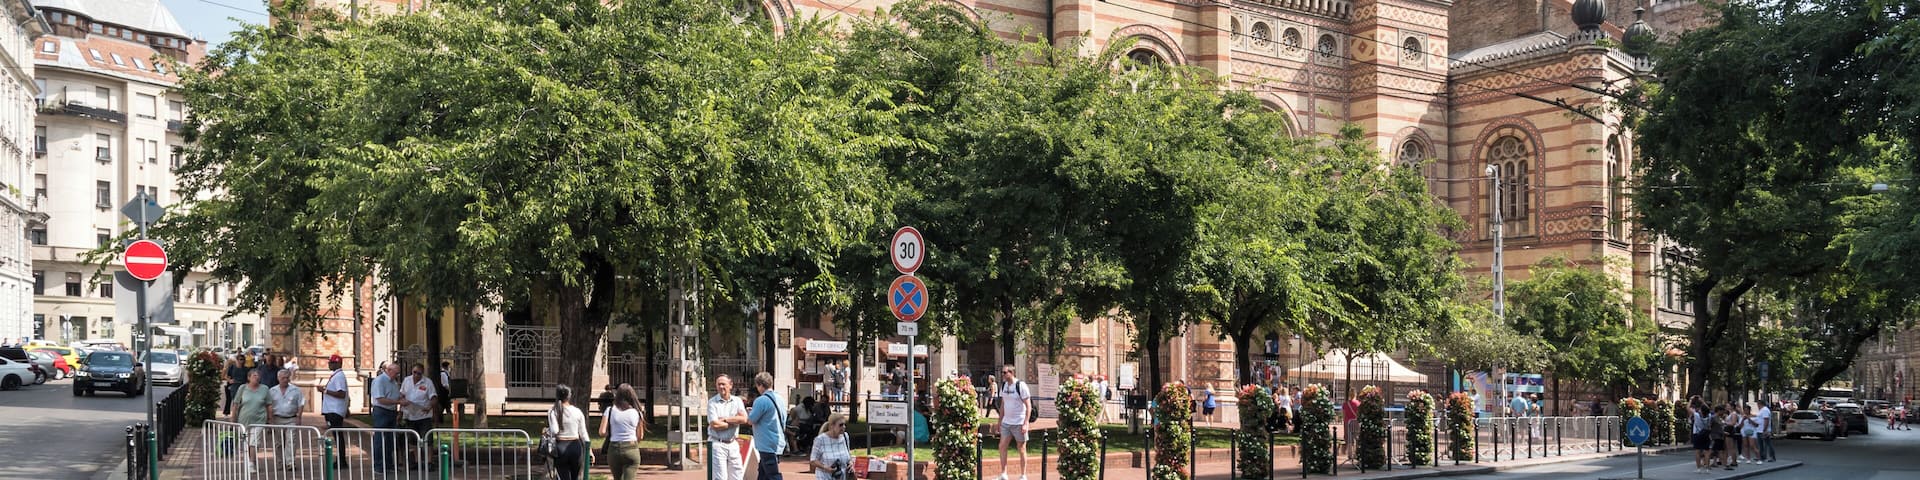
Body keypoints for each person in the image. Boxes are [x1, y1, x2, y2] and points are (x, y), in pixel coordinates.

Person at [229, 369, 271, 477]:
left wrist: (270, 420)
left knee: (254, 442)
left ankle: (251, 463)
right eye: (254, 375)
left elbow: (269, 405)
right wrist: (233, 420)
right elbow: (235, 405)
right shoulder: (242, 388)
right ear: (248, 377)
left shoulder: (265, 389)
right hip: (244, 420)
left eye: (258, 375)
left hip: (259, 420)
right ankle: (251, 460)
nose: (256, 377)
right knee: (248, 443)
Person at [708, 375, 751, 480]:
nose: (721, 387)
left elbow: (744, 419)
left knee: (737, 475)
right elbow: (715, 425)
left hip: (733, 443)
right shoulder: (712, 403)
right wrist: (734, 422)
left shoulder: (737, 401)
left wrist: (726, 419)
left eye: (724, 384)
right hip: (718, 444)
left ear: (730, 385)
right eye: (719, 384)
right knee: (720, 477)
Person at [996, 364, 1033, 480]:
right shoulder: (1003, 385)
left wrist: (1026, 423)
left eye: (1004, 372)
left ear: (1011, 373)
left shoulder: (1020, 385)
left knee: (1021, 448)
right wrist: (999, 421)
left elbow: (1028, 406)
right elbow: (1003, 404)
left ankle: (1023, 475)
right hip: (1007, 422)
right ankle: (1003, 474)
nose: (1002, 375)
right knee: (1002, 446)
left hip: (1019, 422)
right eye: (1002, 372)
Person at [545, 385, 590, 480]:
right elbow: (583, 433)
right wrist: (589, 450)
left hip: (561, 447)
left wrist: (547, 431)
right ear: (569, 396)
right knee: (575, 477)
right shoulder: (577, 411)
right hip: (576, 446)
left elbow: (555, 430)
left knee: (563, 476)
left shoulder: (553, 411)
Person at [748, 372, 788, 480]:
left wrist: (749, 413)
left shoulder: (761, 400)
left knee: (772, 474)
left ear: (760, 385)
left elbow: (751, 420)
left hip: (767, 443)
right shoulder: (780, 398)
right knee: (763, 473)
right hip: (778, 441)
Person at [600, 384, 644, 480]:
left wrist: (612, 432)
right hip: (631, 447)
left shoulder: (610, 410)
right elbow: (640, 436)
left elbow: (602, 432)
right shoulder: (637, 412)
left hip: (614, 448)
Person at [267, 369, 307, 470]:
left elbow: (301, 403)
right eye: (282, 378)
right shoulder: (272, 391)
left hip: (291, 419)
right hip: (277, 418)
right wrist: (270, 419)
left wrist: (299, 416)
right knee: (278, 443)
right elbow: (269, 405)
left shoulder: (295, 390)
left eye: (286, 378)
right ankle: (280, 462)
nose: (285, 380)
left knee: (291, 441)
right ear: (278, 378)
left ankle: (290, 463)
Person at [370, 362, 405, 473]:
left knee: (390, 440)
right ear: (389, 371)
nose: (397, 375)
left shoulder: (393, 381)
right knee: (379, 439)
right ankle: (378, 466)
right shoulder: (379, 381)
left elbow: (394, 394)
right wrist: (398, 401)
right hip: (381, 411)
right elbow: (380, 399)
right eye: (396, 373)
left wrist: (400, 397)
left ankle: (389, 464)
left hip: (391, 411)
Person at [402, 363, 438, 469]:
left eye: (419, 373)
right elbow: (402, 395)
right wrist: (400, 412)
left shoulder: (428, 382)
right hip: (410, 415)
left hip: (424, 415)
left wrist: (429, 407)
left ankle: (429, 462)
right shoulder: (406, 381)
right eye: (414, 372)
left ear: (422, 374)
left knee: (427, 439)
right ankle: (417, 461)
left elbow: (434, 398)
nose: (416, 375)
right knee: (413, 439)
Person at [317, 354, 350, 468]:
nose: (329, 364)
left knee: (338, 435)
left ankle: (341, 460)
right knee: (336, 435)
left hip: (335, 410)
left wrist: (325, 391)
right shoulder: (335, 375)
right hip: (332, 409)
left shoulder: (339, 376)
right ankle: (340, 459)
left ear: (337, 364)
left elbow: (341, 393)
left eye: (331, 362)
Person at [809, 414, 852, 480]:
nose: (843, 427)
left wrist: (850, 463)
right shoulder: (820, 439)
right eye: (840, 425)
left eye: (844, 424)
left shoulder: (845, 437)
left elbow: (848, 455)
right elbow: (813, 460)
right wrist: (825, 467)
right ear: (832, 426)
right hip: (824, 477)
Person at [1690, 398, 1711, 473]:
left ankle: (1699, 468)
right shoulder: (1709, 416)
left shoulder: (1696, 416)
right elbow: (1707, 408)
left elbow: (1689, 408)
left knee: (1697, 452)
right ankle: (1708, 468)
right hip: (1705, 434)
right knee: (1706, 452)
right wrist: (1702, 400)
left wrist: (1691, 400)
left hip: (1697, 434)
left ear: (1701, 411)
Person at [1707, 405, 1729, 470]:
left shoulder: (1719, 418)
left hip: (1720, 436)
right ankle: (1724, 464)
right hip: (1715, 436)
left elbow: (1721, 426)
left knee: (1716, 451)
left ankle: (1715, 462)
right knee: (1717, 450)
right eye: (1722, 411)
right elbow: (1709, 426)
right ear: (1719, 411)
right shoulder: (1713, 418)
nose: (1723, 412)